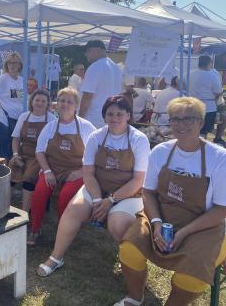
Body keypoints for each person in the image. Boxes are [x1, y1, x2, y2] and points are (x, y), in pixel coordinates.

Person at [117, 97, 226, 306]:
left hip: (204, 226)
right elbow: (148, 193)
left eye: (189, 119)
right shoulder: (161, 151)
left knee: (193, 275)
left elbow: (221, 209)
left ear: (201, 123)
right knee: (130, 247)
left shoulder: (219, 157)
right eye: (175, 119)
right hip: (163, 216)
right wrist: (156, 223)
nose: (181, 125)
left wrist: (184, 232)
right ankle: (134, 297)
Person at [37, 95, 150, 276]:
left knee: (117, 222)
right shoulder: (96, 136)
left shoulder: (139, 139)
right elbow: (88, 173)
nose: (114, 118)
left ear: (128, 115)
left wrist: (111, 200)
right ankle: (56, 257)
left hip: (129, 192)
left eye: (119, 114)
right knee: (73, 209)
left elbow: (138, 180)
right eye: (110, 114)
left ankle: (129, 258)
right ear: (104, 117)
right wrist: (98, 199)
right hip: (96, 187)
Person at [29, 88, 96, 245]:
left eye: (69, 101)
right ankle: (35, 229)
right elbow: (39, 152)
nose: (65, 104)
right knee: (39, 192)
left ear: (76, 106)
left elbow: (96, 155)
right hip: (52, 169)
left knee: (65, 196)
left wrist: (81, 172)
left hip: (75, 172)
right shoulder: (50, 127)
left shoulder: (86, 127)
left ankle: (64, 230)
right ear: (56, 104)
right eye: (62, 101)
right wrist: (47, 171)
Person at [9, 89, 56, 211]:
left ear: (47, 104)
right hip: (22, 153)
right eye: (37, 100)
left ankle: (24, 214)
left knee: (29, 180)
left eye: (43, 101)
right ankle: (3, 209)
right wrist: (15, 155)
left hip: (39, 156)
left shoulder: (51, 119)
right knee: (9, 177)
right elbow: (16, 139)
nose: (39, 103)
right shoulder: (24, 116)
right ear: (32, 101)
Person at [79, 40, 122, 128]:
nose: (86, 55)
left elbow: (87, 96)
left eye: (88, 51)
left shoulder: (96, 67)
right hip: (111, 119)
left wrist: (79, 119)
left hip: (94, 121)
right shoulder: (117, 68)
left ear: (97, 49)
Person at [189, 55, 223, 137]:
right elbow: (218, 92)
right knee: (204, 131)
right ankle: (201, 147)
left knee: (193, 129)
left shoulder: (190, 73)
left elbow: (178, 81)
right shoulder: (212, 75)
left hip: (192, 105)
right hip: (208, 107)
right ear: (209, 63)